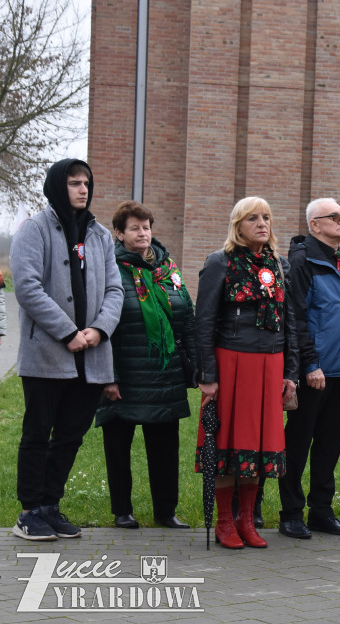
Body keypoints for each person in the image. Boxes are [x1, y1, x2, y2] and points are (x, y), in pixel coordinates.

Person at [11, 159, 124, 541]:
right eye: (75, 183)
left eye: (87, 183)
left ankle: (50, 505)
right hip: (47, 354)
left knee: (70, 436)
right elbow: (27, 288)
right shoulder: (34, 229)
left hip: (91, 355)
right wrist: (68, 332)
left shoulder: (101, 236)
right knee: (37, 433)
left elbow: (115, 290)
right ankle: (28, 512)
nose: (82, 189)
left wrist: (98, 330)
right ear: (59, 186)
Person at [195, 196, 299, 549]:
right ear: (237, 224)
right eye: (252, 217)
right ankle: (225, 521)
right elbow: (204, 322)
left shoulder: (281, 265)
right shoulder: (218, 263)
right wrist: (208, 374)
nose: (261, 223)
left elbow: (291, 325)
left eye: (266, 217)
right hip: (231, 362)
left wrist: (291, 373)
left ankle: (247, 520)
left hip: (270, 365)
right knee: (227, 444)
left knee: (259, 445)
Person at [95, 201, 196, 530]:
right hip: (124, 376)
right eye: (135, 227)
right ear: (119, 233)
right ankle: (122, 510)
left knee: (165, 449)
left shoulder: (168, 270)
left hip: (165, 376)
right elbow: (101, 326)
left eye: (146, 227)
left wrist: (196, 367)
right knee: (118, 447)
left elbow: (187, 319)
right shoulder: (109, 269)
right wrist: (108, 377)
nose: (143, 233)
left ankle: (166, 511)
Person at [277, 199, 340, 539]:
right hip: (314, 371)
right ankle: (291, 512)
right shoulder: (302, 261)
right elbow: (296, 317)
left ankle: (321, 511)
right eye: (335, 216)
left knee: (330, 442)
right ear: (315, 225)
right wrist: (310, 364)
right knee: (299, 442)